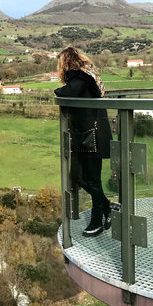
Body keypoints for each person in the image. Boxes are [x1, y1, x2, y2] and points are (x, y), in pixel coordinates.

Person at [54, 46, 112, 236]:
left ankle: (98, 220)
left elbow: (65, 93)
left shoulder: (79, 77)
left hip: (91, 135)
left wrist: (57, 90)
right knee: (79, 176)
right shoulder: (87, 75)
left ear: (65, 62)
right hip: (88, 135)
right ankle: (106, 207)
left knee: (92, 179)